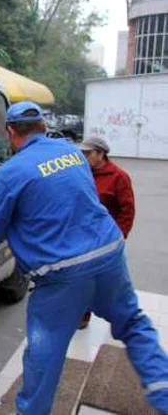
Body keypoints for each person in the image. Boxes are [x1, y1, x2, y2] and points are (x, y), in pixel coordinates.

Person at [0, 101, 168, 415]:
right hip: (109, 255)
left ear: (10, 132)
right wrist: (5, 174)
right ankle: (163, 392)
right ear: (44, 127)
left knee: (44, 355)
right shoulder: (73, 153)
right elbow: (51, 180)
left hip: (62, 275)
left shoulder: (9, 177)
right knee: (133, 324)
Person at [78, 135, 136, 328]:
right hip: (83, 238)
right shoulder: (81, 172)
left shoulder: (119, 177)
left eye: (87, 153)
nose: (83, 156)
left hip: (107, 240)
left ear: (100, 154)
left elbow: (127, 210)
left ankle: (123, 318)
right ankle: (82, 314)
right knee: (83, 278)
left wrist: (119, 237)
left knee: (111, 282)